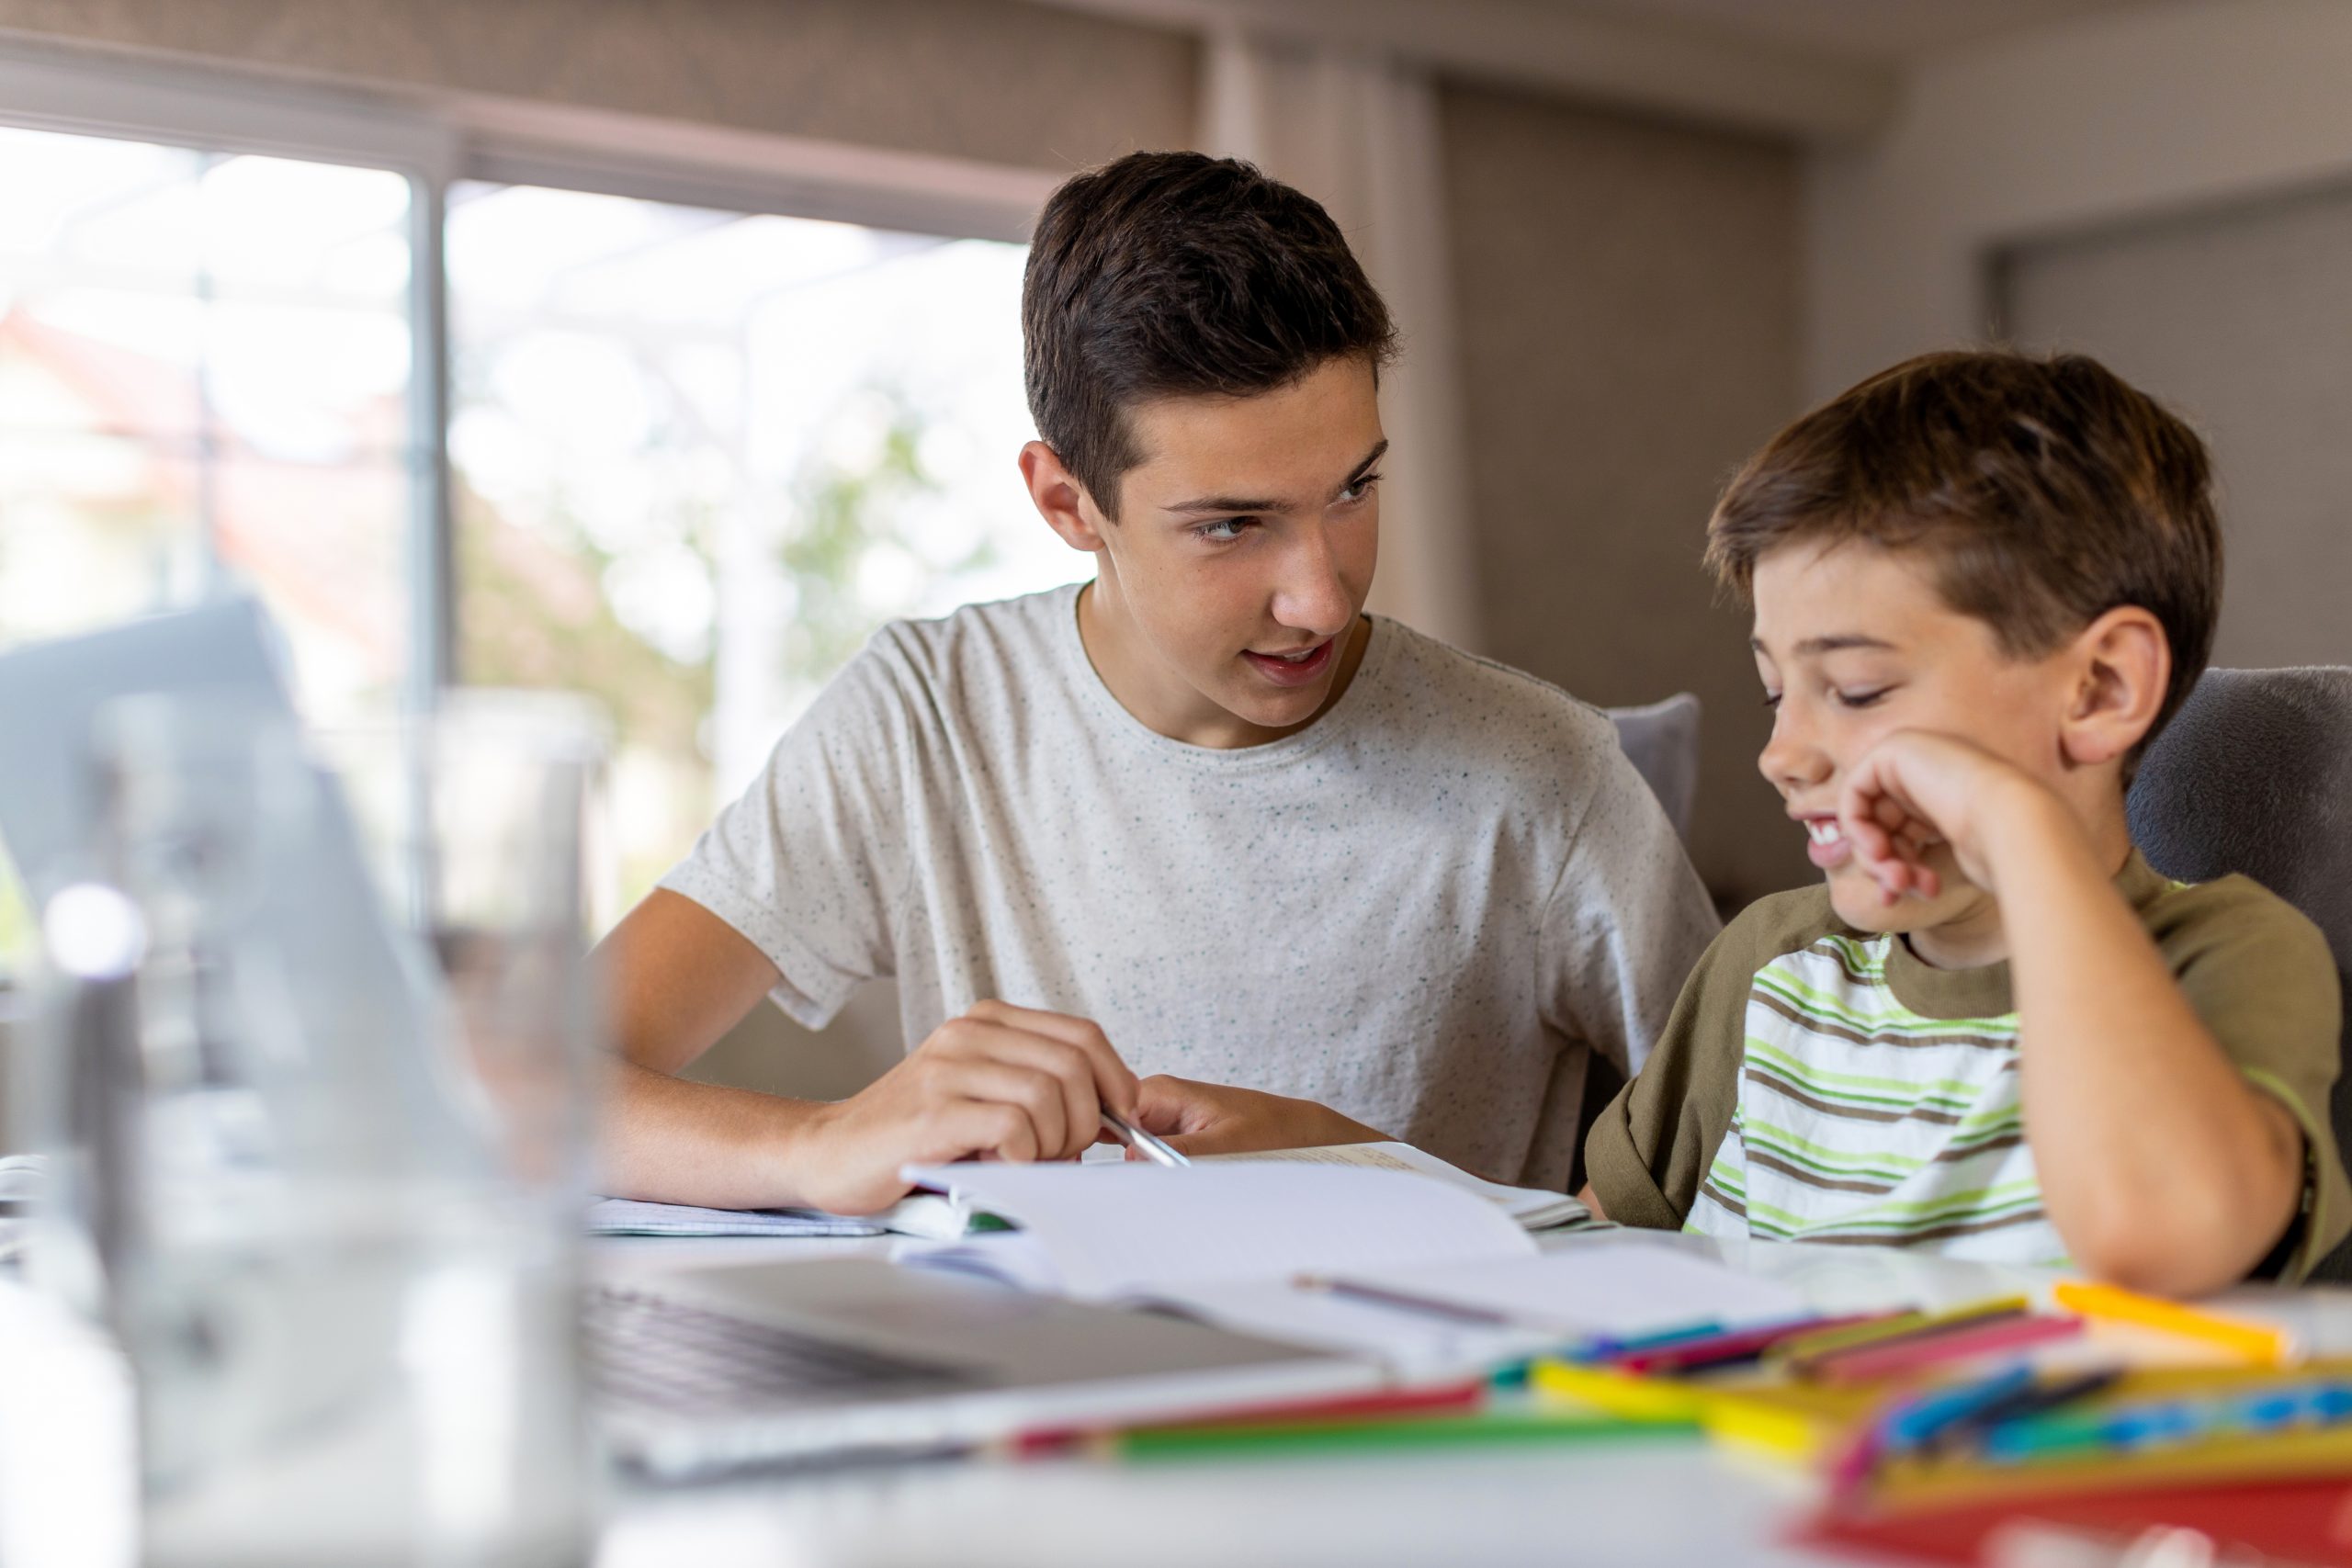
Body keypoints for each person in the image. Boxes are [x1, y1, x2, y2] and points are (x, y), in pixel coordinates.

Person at [594, 151, 1718, 1215]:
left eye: (1352, 490)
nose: (1321, 598)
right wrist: (817, 1147)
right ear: (1067, 504)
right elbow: (513, 1085)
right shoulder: (929, 716)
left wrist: (1369, 1172)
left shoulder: (1549, 775)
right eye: (1231, 525)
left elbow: (1796, 1190)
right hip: (1019, 1395)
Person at [1581, 349, 2350, 1292]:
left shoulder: (2226, 955)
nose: (1782, 753)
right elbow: (1599, 1254)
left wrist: (2014, 828)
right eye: (1775, 691)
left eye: (1855, 690)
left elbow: (2158, 1235)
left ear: (2101, 688)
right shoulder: (1770, 963)